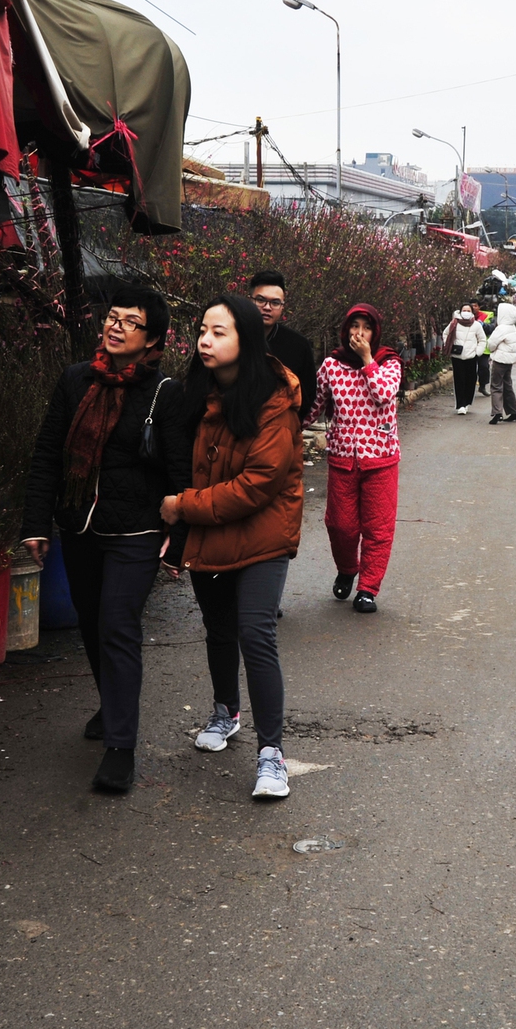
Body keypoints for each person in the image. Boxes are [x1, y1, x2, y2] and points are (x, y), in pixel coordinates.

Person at [21, 286, 193, 794]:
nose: (115, 327)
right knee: (93, 625)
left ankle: (121, 746)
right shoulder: (76, 380)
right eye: (111, 318)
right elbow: (48, 453)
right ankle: (111, 701)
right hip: (79, 525)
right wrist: (35, 522)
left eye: (130, 322)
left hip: (136, 530)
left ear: (153, 339)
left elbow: (181, 473)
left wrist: (178, 540)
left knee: (118, 625)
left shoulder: (165, 393)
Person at [161, 293, 304, 800]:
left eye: (219, 332)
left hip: (264, 533)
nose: (205, 339)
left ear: (245, 339)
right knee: (218, 629)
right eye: (202, 330)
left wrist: (183, 506)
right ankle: (226, 712)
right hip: (212, 530)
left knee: (254, 632)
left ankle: (273, 755)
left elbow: (257, 484)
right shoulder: (194, 395)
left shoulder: (274, 402)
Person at [310, 304, 404, 614]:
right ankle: (348, 568)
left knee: (378, 528)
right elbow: (313, 407)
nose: (358, 333)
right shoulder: (331, 366)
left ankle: (368, 588)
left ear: (375, 333)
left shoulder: (389, 363)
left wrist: (367, 360)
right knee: (341, 526)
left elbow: (382, 394)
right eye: (354, 326)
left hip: (381, 458)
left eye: (365, 327)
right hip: (342, 458)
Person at [247, 269, 317, 425]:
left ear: (282, 306)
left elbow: (308, 395)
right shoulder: (233, 338)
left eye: (275, 303)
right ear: (249, 300)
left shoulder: (298, 345)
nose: (267, 307)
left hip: (278, 431)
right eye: (260, 300)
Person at [445, 304, 487, 414]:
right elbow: (446, 335)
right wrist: (450, 346)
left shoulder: (476, 325)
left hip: (471, 356)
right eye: (464, 310)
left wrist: (477, 352)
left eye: (468, 310)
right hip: (457, 356)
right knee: (459, 380)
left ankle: (467, 402)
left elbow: (482, 340)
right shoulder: (454, 323)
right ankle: (460, 404)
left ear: (472, 312)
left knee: (470, 379)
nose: (466, 312)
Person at [486, 300, 516, 425]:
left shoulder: (501, 328)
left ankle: (497, 413)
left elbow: (491, 344)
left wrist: (492, 350)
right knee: (507, 385)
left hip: (500, 360)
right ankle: (514, 412)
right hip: (509, 361)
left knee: (496, 386)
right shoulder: (512, 327)